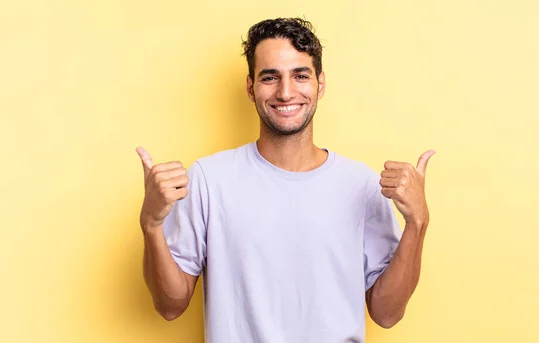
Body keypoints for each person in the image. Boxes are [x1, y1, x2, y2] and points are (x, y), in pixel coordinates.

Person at [135, 17, 435, 343]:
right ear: (250, 87)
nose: (286, 91)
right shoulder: (210, 179)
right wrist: (151, 223)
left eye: (300, 75)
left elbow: (387, 314)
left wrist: (417, 223)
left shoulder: (362, 185)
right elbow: (170, 306)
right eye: (270, 77)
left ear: (320, 84)